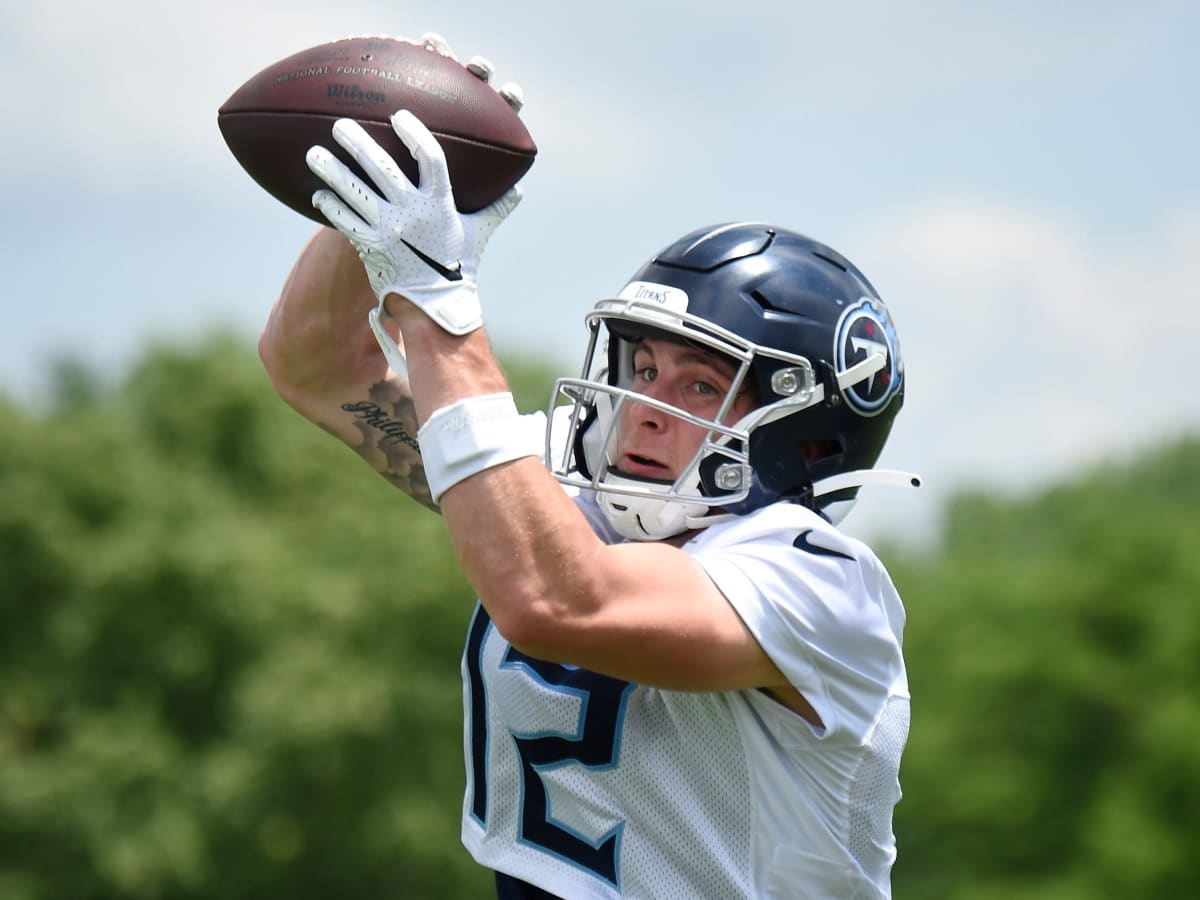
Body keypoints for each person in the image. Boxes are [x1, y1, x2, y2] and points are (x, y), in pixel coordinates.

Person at [258, 36, 918, 900]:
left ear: (811, 434)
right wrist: (379, 203)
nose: (646, 404)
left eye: (701, 385)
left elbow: (558, 601)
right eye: (642, 369)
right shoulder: (576, 494)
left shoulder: (822, 587)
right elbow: (316, 366)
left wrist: (437, 302)